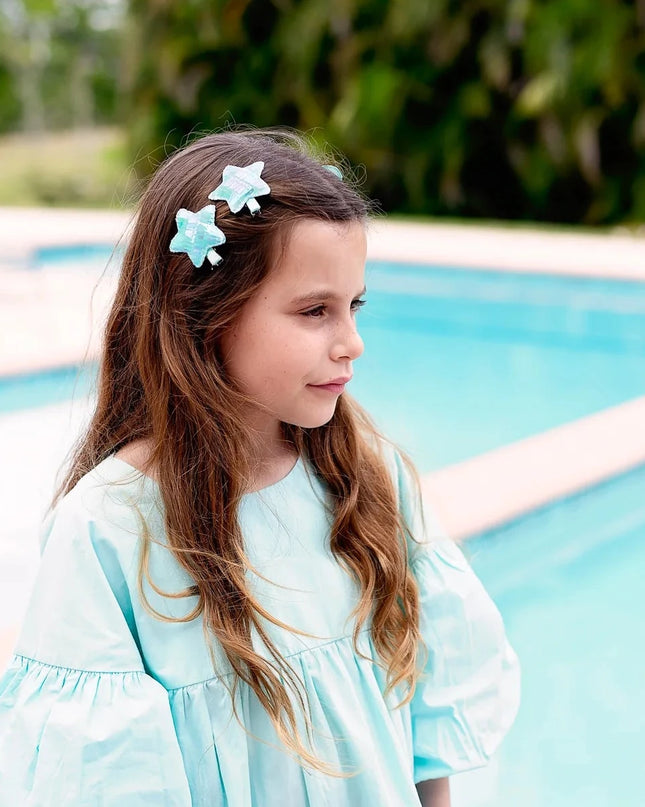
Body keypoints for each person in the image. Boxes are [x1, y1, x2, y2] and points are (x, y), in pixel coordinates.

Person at [0, 129, 520, 807]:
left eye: (353, 306)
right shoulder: (106, 531)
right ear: (203, 313)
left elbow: (425, 719)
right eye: (314, 311)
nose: (351, 342)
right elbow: (103, 778)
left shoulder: (365, 478)